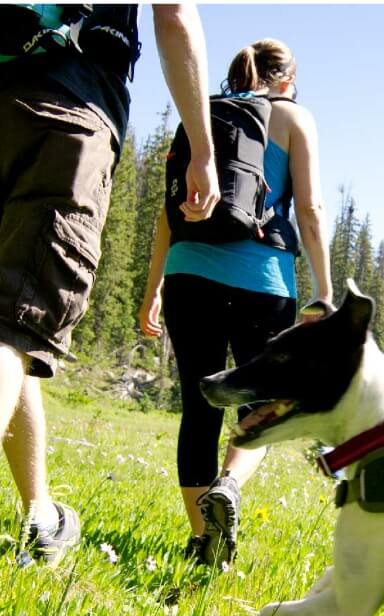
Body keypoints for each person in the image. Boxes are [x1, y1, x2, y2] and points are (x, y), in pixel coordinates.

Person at [0, 4, 220, 590]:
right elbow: (175, 15)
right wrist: (202, 150)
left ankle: (42, 516)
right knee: (12, 327)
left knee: (8, 328)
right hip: (72, 106)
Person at [138, 39, 333, 568]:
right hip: (263, 279)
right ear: (287, 79)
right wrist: (324, 290)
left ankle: (204, 538)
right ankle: (230, 483)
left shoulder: (201, 114)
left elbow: (168, 210)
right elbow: (310, 209)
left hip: (187, 274)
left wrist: (153, 286)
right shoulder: (293, 118)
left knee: (199, 407)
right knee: (262, 409)